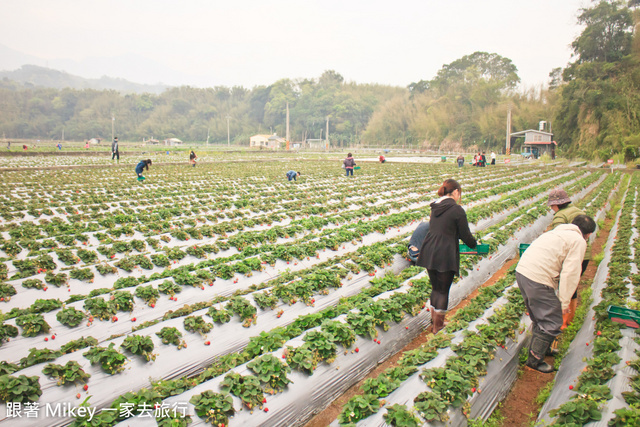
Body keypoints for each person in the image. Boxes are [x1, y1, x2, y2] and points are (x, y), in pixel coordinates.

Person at [516, 214, 596, 373]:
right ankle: (534, 361)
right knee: (552, 320)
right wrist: (564, 302)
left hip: (523, 272)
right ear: (587, 234)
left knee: (540, 316)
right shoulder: (578, 241)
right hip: (538, 278)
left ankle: (542, 349)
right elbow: (570, 273)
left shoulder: (557, 232)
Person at [416, 179, 477, 334]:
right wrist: (474, 244)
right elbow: (465, 235)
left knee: (436, 287)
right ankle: (438, 326)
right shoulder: (457, 210)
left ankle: (434, 321)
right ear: (455, 191)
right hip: (445, 252)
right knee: (443, 290)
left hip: (429, 250)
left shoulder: (435, 207)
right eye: (459, 193)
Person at [548, 188, 591, 329]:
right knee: (573, 286)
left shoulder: (560, 217)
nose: (551, 208)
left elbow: (559, 240)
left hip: (570, 255)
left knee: (564, 286)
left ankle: (563, 322)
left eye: (552, 205)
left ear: (557, 205)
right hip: (584, 253)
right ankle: (569, 319)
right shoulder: (579, 211)